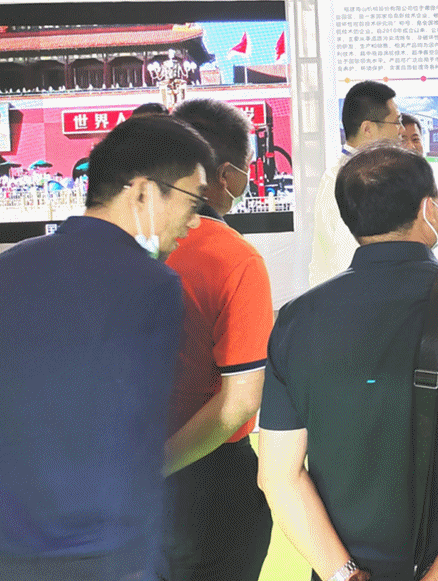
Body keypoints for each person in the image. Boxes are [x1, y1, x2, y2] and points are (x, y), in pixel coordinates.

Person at [0, 115, 214, 581]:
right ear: (143, 193)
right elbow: (132, 441)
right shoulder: (151, 286)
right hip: (105, 559)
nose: (194, 219)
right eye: (192, 200)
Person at [258, 143, 438, 581]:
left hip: (346, 563)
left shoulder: (297, 319)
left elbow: (278, 477)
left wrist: (342, 573)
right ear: (429, 208)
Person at [160, 99, 274, 581]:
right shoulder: (234, 258)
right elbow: (240, 401)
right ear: (225, 175)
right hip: (209, 482)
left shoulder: (118, 243)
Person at [308, 80, 402, 286]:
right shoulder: (348, 181)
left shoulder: (359, 175)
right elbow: (347, 260)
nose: (401, 131)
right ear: (367, 129)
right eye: (397, 122)